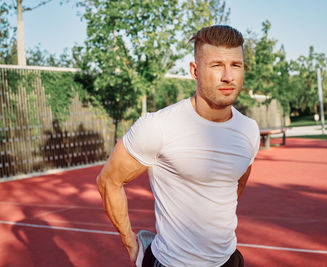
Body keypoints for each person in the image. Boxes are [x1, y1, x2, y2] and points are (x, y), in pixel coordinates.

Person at [96, 25, 260, 267]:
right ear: (194, 70)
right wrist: (130, 243)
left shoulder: (248, 130)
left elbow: (239, 178)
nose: (228, 76)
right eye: (216, 65)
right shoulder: (159, 126)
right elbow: (109, 181)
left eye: (236, 65)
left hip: (229, 259)